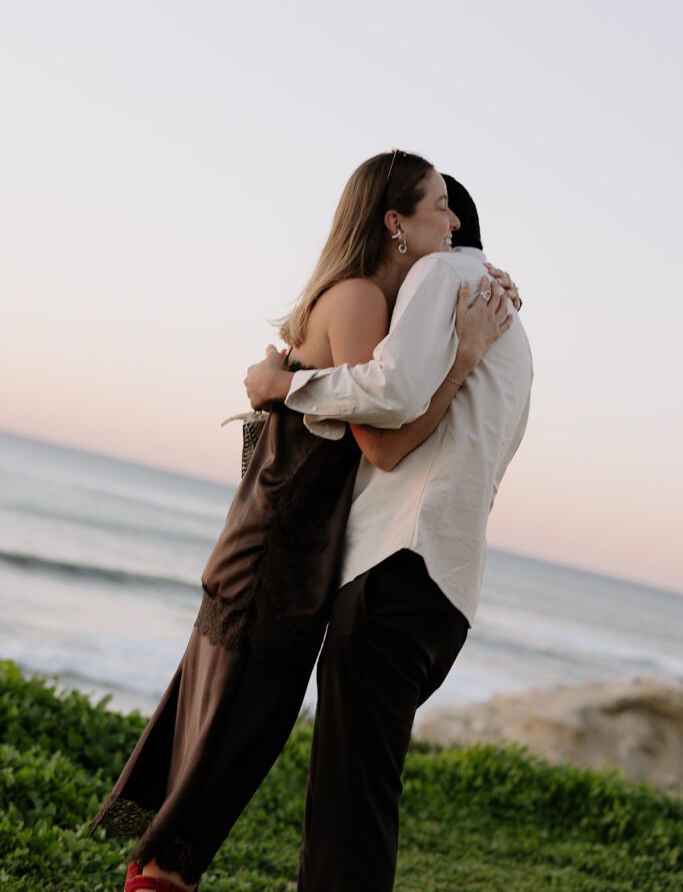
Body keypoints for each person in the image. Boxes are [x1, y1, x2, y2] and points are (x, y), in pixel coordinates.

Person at [90, 150, 514, 892]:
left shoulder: (372, 306)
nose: (454, 224)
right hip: (274, 564)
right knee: (218, 754)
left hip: (285, 560)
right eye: (439, 206)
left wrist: (282, 385)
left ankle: (149, 864)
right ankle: (150, 871)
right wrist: (464, 360)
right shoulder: (357, 301)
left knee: (218, 750)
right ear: (394, 222)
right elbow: (383, 441)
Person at [245, 172, 532, 892]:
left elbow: (392, 394)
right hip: (446, 591)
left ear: (442, 224)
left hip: (397, 566)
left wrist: (288, 387)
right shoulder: (511, 328)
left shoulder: (441, 275)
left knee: (348, 812)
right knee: (360, 802)